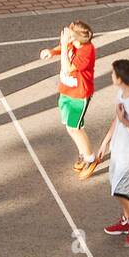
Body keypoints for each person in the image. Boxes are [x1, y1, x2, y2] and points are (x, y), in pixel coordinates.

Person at [97, 58, 129, 248]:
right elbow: (116, 119)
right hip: (119, 147)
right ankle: (127, 219)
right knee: (115, 186)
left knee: (121, 189)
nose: (111, 75)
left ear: (120, 78)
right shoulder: (121, 93)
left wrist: (124, 120)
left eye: (113, 73)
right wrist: (105, 142)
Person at [39, 19, 97, 177]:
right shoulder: (73, 43)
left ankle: (90, 158)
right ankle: (83, 153)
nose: (66, 35)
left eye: (70, 34)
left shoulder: (87, 51)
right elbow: (63, 49)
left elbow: (67, 68)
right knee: (72, 127)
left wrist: (64, 44)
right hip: (66, 91)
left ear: (76, 38)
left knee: (74, 128)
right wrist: (52, 51)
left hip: (79, 96)